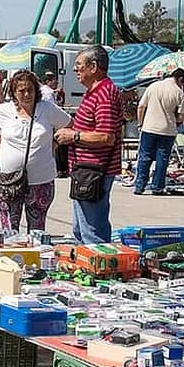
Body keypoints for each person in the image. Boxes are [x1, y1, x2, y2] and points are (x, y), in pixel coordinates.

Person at [0, 71, 72, 233]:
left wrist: (56, 142)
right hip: (9, 181)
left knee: (37, 231)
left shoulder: (48, 109)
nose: (27, 94)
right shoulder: (4, 111)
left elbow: (69, 124)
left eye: (30, 89)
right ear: (14, 92)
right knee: (9, 229)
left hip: (41, 180)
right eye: (21, 91)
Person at [54, 46, 123, 244]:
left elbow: (106, 136)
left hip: (95, 171)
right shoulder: (94, 92)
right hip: (85, 169)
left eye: (79, 66)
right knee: (80, 228)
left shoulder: (105, 94)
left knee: (92, 230)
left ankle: (98, 266)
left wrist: (73, 136)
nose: (76, 71)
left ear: (94, 67)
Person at [134, 68, 184, 195]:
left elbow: (141, 106)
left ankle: (139, 185)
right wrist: (175, 117)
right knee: (162, 159)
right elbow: (182, 116)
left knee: (144, 157)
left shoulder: (153, 86)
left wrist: (140, 123)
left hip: (149, 128)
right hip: (168, 130)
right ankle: (157, 187)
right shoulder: (178, 92)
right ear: (180, 79)